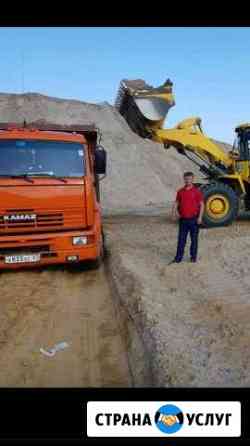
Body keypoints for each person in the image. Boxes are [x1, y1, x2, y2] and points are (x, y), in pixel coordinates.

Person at [170, 172, 204, 264]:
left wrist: (200, 217)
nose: (187, 180)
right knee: (181, 240)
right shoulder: (180, 191)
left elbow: (201, 204)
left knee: (194, 240)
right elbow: (176, 203)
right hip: (183, 220)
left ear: (192, 179)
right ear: (184, 179)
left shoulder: (197, 191)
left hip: (194, 220)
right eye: (186, 179)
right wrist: (174, 213)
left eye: (189, 179)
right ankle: (178, 258)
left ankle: (193, 257)